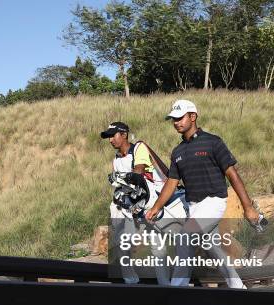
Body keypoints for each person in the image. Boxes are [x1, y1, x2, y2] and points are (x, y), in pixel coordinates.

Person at [145, 100, 260, 289]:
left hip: (213, 202)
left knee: (185, 237)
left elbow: (232, 174)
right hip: (194, 207)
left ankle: (176, 291)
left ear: (193, 116)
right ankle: (239, 289)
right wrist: (156, 207)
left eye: (180, 118)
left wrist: (248, 207)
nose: (176, 122)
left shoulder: (213, 142)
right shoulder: (178, 152)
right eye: (173, 119)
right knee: (214, 249)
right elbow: (172, 183)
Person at [101, 122, 170, 285]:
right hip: (130, 206)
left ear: (124, 134)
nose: (110, 140)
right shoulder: (116, 159)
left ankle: (165, 284)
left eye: (113, 135)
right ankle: (131, 281)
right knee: (121, 243)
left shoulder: (139, 148)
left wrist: (119, 180)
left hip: (149, 204)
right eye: (108, 137)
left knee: (157, 246)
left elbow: (138, 172)